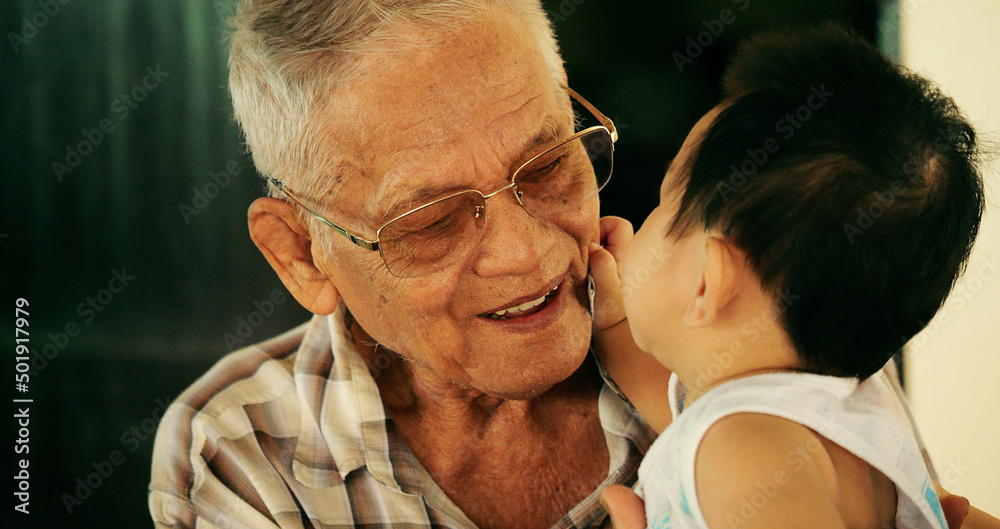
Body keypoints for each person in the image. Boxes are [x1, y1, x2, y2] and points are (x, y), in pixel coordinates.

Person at [147, 2, 984, 528]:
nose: (531, 253)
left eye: (548, 165)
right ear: (301, 253)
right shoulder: (241, 449)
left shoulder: (755, 371)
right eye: (433, 220)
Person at [589, 25, 996, 529]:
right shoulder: (859, 417)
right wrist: (614, 324)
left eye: (664, 201)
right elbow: (688, 404)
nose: (645, 220)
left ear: (706, 282)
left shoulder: (743, 451)